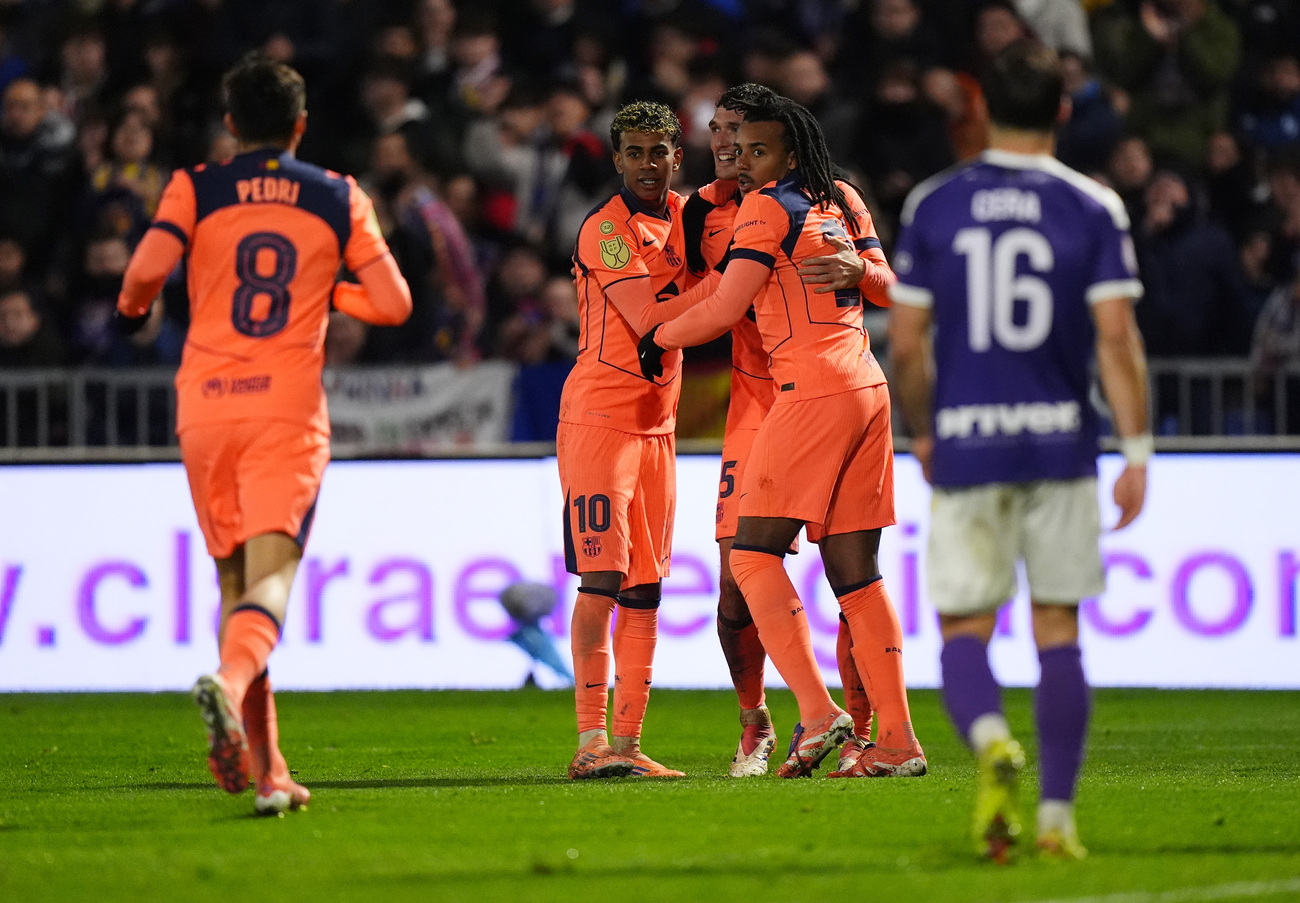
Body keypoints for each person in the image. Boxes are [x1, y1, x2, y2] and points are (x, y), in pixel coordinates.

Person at [116, 54, 412, 815]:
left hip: (205, 406)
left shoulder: (195, 185)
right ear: (300, 125)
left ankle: (268, 770)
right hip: (283, 410)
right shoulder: (336, 195)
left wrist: (132, 309)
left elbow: (141, 274)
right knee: (273, 573)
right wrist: (325, 287)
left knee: (231, 583)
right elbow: (394, 302)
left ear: (230, 124)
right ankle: (227, 681)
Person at [887, 39, 1151, 862]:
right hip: (1061, 443)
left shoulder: (934, 206)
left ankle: (995, 739)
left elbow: (905, 345)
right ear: (1063, 110)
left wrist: (924, 427)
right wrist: (1136, 447)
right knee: (1058, 629)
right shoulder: (1092, 205)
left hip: (968, 441)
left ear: (980, 110)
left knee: (963, 625)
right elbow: (1117, 338)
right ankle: (1057, 820)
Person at [639, 94, 924, 781]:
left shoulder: (769, 206)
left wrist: (658, 334)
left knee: (751, 556)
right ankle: (896, 741)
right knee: (858, 578)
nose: (740, 151)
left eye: (755, 144)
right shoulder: (812, 198)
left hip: (807, 394)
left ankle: (819, 713)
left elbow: (727, 304)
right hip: (863, 387)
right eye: (728, 135)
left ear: (784, 150)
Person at [558, 100, 704, 781]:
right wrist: (729, 291)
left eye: (661, 151)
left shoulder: (689, 216)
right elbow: (648, 318)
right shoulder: (606, 232)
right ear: (617, 159)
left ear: (678, 154)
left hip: (658, 426)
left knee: (646, 588)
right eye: (637, 152)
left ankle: (627, 744)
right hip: (600, 421)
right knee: (604, 577)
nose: (650, 163)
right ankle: (589, 738)